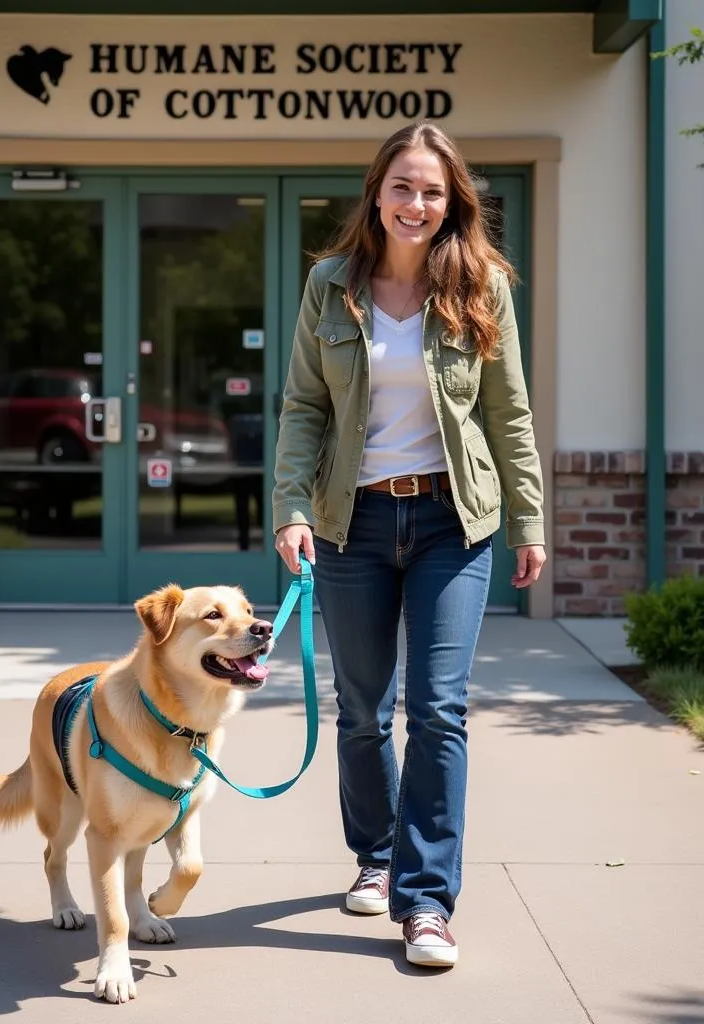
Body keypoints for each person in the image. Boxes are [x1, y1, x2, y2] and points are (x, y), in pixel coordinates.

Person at [272, 120, 546, 969]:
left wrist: (531, 518)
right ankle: (376, 858)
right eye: (403, 187)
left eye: (432, 190)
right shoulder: (330, 285)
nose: (416, 204)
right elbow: (303, 408)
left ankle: (426, 902)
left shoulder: (482, 285)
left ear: (451, 200)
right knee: (362, 711)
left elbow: (508, 412)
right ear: (376, 194)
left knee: (437, 711)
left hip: (450, 524)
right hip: (349, 524)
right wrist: (290, 507)